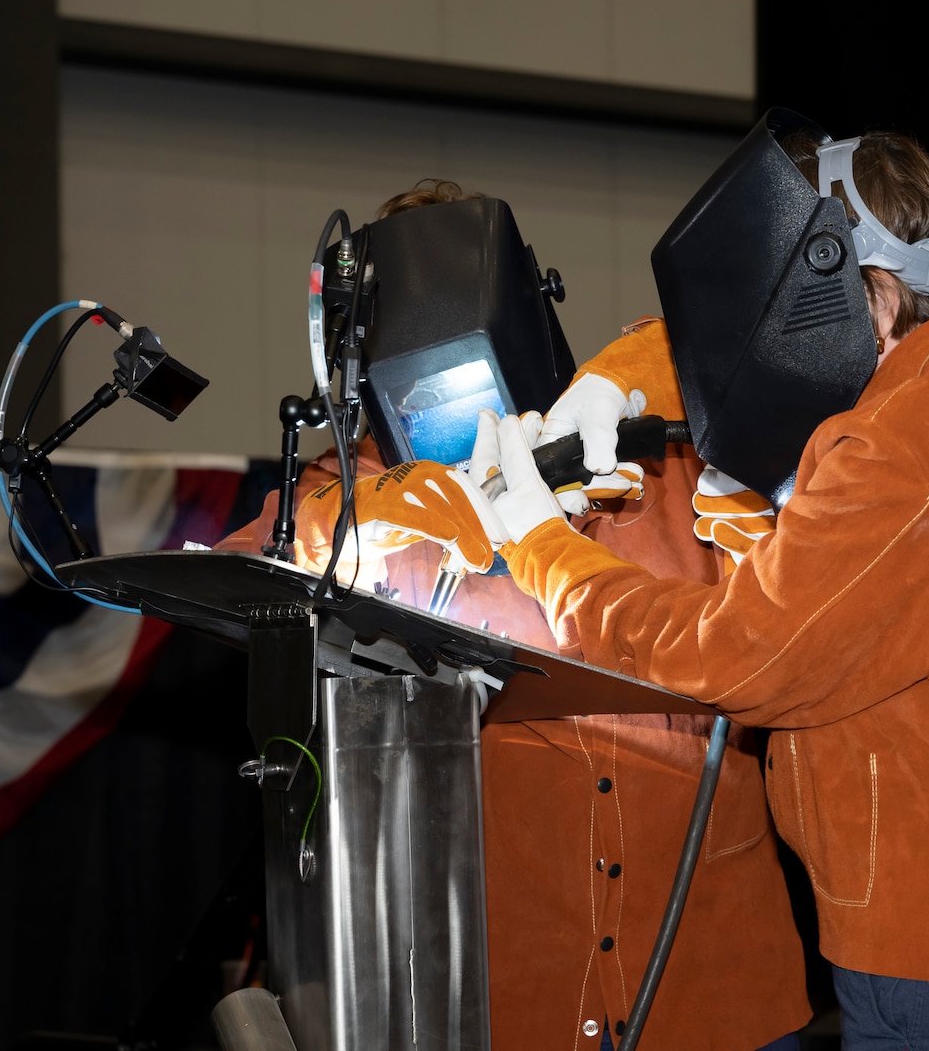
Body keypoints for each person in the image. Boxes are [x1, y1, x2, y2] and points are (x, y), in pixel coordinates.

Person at [456, 113, 929, 1049]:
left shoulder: (889, 452)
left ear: (858, 293)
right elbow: (745, 350)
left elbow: (732, 658)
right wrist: (621, 376)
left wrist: (545, 545)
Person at [219, 180, 812, 1050]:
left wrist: (621, 393)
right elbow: (251, 563)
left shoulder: (664, 457)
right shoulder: (349, 489)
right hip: (518, 992)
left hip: (720, 983)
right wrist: (447, 497)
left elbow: (755, 362)